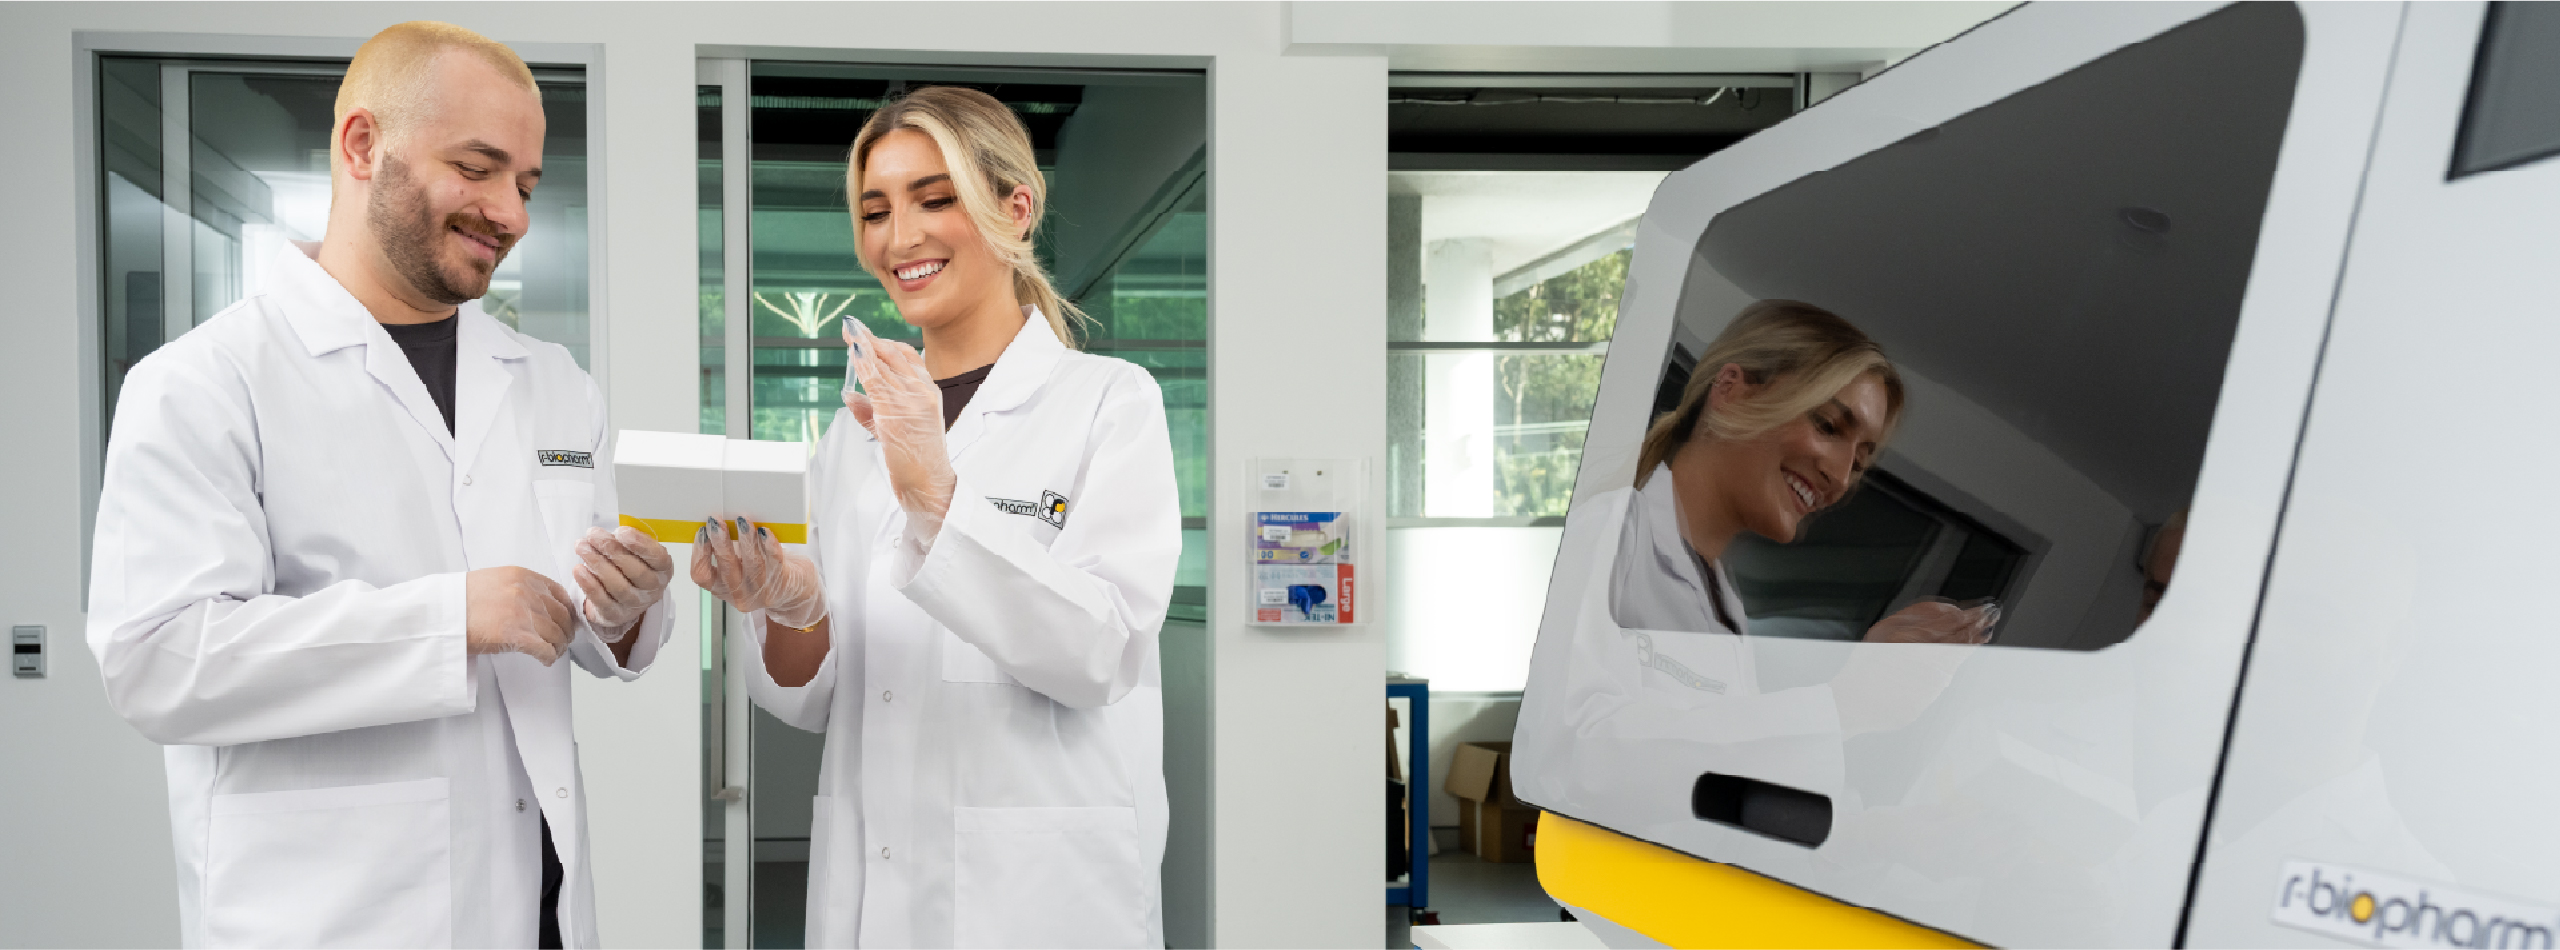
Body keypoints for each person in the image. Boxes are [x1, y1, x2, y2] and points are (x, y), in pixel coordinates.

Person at [84, 23, 675, 949]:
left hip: (539, 904)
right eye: (477, 168)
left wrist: (630, 607)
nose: (511, 213)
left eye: (525, 184)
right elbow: (158, 660)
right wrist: (449, 619)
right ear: (364, 146)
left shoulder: (555, 383)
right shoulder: (206, 380)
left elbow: (589, 618)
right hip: (333, 913)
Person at [691, 86, 1182, 948]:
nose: (899, 237)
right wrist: (788, 604)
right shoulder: (849, 439)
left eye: (935, 197)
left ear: (1015, 207)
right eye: (875, 210)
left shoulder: (1107, 402)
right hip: (873, 882)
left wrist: (939, 499)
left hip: (1039, 894)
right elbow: (818, 699)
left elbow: (1105, 651)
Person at [1609, 299, 1995, 649]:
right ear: (1731, 391)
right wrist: (1843, 699)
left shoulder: (1730, 621)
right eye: (1828, 426)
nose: (1842, 479)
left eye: (1859, 463)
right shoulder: (1608, 536)